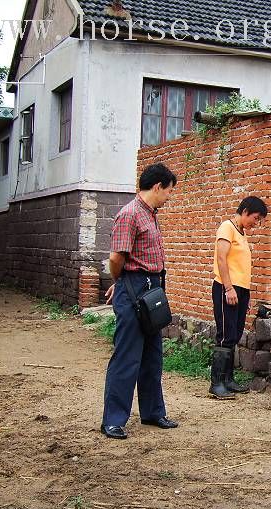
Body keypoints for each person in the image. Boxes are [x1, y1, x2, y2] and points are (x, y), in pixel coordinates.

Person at [100, 163, 179, 439]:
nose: (169, 197)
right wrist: (120, 283)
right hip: (134, 287)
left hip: (151, 289)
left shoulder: (150, 214)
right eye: (168, 191)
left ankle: (153, 412)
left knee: (152, 355)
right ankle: (113, 420)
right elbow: (116, 258)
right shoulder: (130, 214)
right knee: (127, 356)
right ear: (157, 187)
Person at [209, 196, 268, 399]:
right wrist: (228, 288)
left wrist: (244, 293)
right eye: (256, 217)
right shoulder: (227, 227)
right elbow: (221, 258)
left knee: (234, 334)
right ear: (245, 211)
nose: (256, 222)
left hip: (240, 290)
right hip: (227, 288)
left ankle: (228, 380)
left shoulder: (242, 234)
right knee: (225, 334)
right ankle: (216, 383)